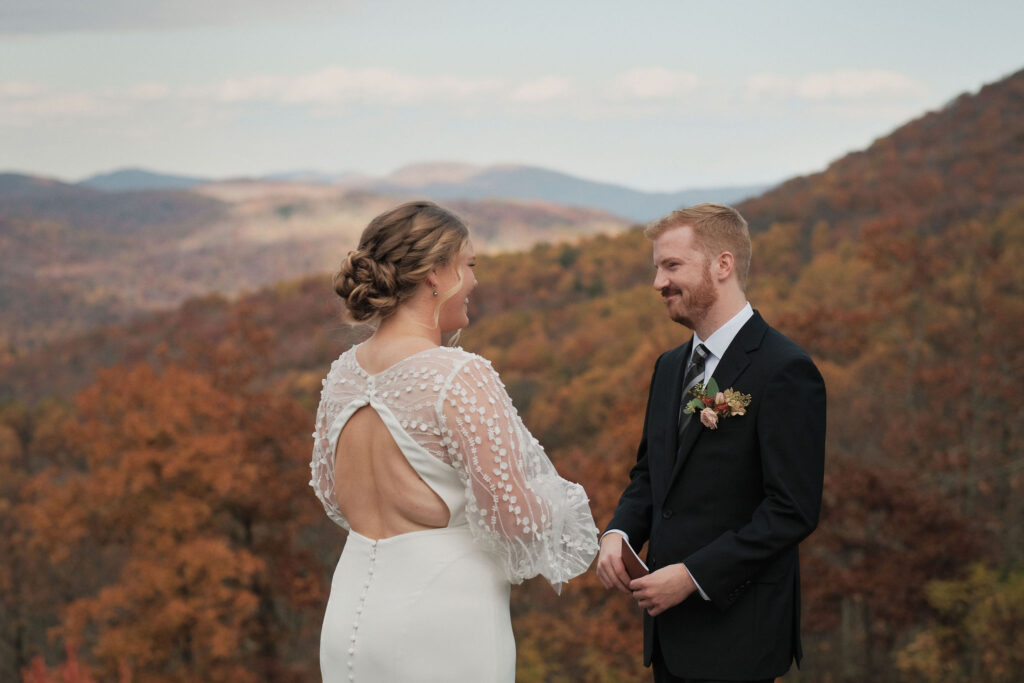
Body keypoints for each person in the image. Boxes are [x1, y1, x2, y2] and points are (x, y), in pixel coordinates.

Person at [309, 201, 598, 682]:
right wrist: (563, 507)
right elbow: (516, 520)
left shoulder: (342, 375)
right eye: (469, 266)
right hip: (442, 618)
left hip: (351, 612)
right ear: (435, 275)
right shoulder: (456, 375)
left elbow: (331, 495)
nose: (475, 282)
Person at [596, 203, 826, 683]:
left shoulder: (784, 369)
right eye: (658, 268)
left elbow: (791, 509)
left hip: (739, 634)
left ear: (722, 265)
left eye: (672, 266)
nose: (658, 283)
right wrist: (618, 533)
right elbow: (649, 475)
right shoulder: (668, 367)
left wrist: (693, 575)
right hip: (668, 637)